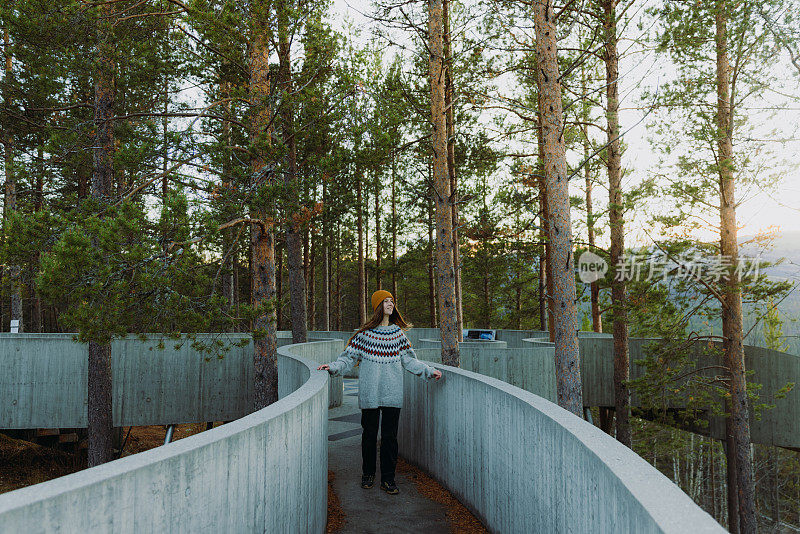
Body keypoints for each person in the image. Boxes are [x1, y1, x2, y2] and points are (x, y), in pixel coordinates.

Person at [317, 290, 442, 495]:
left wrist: (428, 371)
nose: (390, 304)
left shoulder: (398, 334)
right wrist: (332, 367)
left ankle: (388, 479)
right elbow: (347, 359)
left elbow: (410, 360)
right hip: (370, 393)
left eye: (392, 300)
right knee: (368, 436)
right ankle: (368, 474)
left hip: (392, 393)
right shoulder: (364, 335)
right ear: (377, 306)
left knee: (390, 438)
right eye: (385, 301)